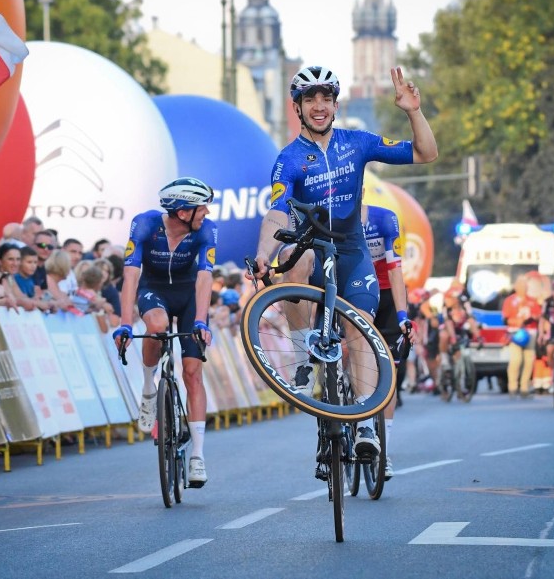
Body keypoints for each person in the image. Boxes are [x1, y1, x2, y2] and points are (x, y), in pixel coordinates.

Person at [252, 65, 437, 458]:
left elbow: (426, 153)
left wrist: (413, 112)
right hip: (311, 253)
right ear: (298, 108)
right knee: (290, 256)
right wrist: (262, 255)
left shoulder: (358, 143)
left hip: (352, 254)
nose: (318, 106)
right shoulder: (289, 160)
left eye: (325, 98)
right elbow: (278, 213)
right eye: (309, 99)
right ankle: (305, 356)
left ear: (336, 104)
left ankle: (367, 425)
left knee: (360, 330)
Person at [112, 177, 216, 488]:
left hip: (188, 297)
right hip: (153, 290)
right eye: (202, 207)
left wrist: (200, 321)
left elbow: (205, 279)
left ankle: (198, 455)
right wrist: (126, 323)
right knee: (155, 327)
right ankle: (148, 389)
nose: (207, 212)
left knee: (192, 371)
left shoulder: (207, 230)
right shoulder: (144, 225)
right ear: (183, 212)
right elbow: (130, 277)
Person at [362, 202, 416, 480]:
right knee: (353, 357)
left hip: (383, 294)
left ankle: (384, 451)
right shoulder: (337, 218)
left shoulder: (383, 219)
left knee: (389, 372)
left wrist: (402, 315)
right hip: (353, 290)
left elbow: (395, 270)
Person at [501, 274, 542, 398]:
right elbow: (505, 318)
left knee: (529, 360)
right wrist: (515, 322)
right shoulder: (510, 301)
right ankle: (513, 387)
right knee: (516, 360)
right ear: (516, 286)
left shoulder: (532, 301)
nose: (523, 287)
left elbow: (539, 316)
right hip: (515, 333)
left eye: (525, 285)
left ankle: (524, 387)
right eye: (520, 285)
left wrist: (533, 318)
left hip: (530, 332)